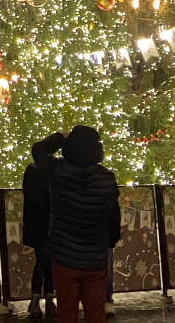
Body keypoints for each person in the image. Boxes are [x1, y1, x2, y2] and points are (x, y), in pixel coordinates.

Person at [47, 125, 121, 323]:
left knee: (67, 313)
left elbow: (38, 150)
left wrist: (60, 137)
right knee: (96, 314)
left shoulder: (59, 172)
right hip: (95, 257)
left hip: (65, 255)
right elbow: (113, 215)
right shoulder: (107, 178)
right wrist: (109, 242)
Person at [23, 133, 65, 316]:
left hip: (38, 223)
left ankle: (41, 300)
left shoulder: (33, 169)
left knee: (44, 260)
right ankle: (43, 300)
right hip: (48, 222)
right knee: (45, 261)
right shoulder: (54, 168)